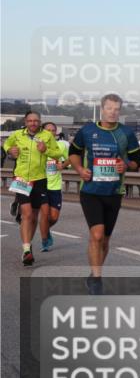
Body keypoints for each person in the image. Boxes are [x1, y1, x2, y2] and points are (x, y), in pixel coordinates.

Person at [68, 93, 140, 294]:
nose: (113, 112)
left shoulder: (126, 133)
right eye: (109, 108)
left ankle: (94, 273)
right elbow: (73, 153)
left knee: (106, 240)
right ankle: (97, 280)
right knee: (97, 234)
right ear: (102, 109)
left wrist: (125, 164)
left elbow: (137, 160)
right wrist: (79, 170)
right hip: (91, 191)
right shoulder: (87, 130)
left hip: (114, 192)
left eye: (117, 109)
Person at [3, 111, 63, 266]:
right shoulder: (17, 134)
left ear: (39, 122)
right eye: (30, 121)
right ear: (25, 121)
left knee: (35, 216)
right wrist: (10, 151)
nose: (33, 123)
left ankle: (29, 244)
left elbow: (57, 152)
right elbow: (6, 144)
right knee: (27, 214)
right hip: (21, 178)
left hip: (40, 180)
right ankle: (26, 250)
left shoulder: (47, 136)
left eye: (36, 121)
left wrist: (46, 150)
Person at [39, 124, 70, 252]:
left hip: (55, 186)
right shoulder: (37, 146)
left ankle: (45, 230)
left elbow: (71, 159)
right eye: (48, 130)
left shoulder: (61, 146)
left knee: (54, 217)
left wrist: (62, 165)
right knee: (45, 215)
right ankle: (44, 240)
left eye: (53, 130)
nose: (51, 132)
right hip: (41, 185)